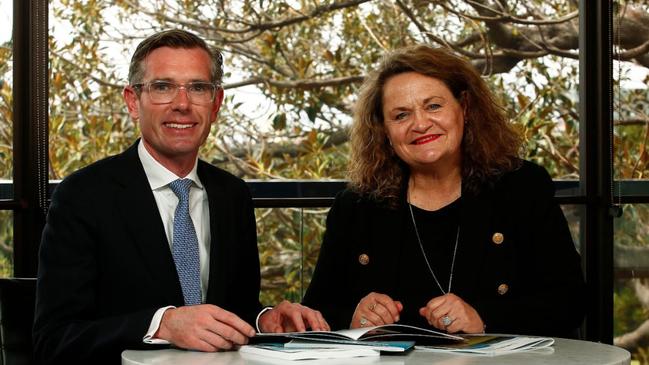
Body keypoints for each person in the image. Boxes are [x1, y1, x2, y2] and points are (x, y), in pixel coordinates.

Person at [33, 29, 328, 364]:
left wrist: (265, 320)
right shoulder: (83, 196)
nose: (182, 104)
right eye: (163, 87)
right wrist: (162, 325)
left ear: (215, 104)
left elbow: (235, 309)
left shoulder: (232, 195)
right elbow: (53, 340)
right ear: (133, 101)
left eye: (198, 88)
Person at [302, 45, 586, 338]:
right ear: (384, 131)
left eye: (433, 106)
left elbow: (570, 301)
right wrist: (353, 316)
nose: (421, 124)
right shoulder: (356, 205)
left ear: (464, 108)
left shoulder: (521, 186)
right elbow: (316, 312)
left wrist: (483, 319)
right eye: (401, 115)